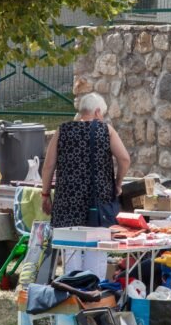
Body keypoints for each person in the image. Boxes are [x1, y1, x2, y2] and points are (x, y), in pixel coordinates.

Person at [40, 92, 130, 276]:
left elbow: (48, 166)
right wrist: (117, 184)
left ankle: (72, 292)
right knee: (96, 249)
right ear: (97, 112)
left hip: (67, 201)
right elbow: (124, 159)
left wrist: (45, 194)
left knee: (70, 249)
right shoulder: (105, 130)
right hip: (98, 200)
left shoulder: (62, 130)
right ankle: (93, 293)